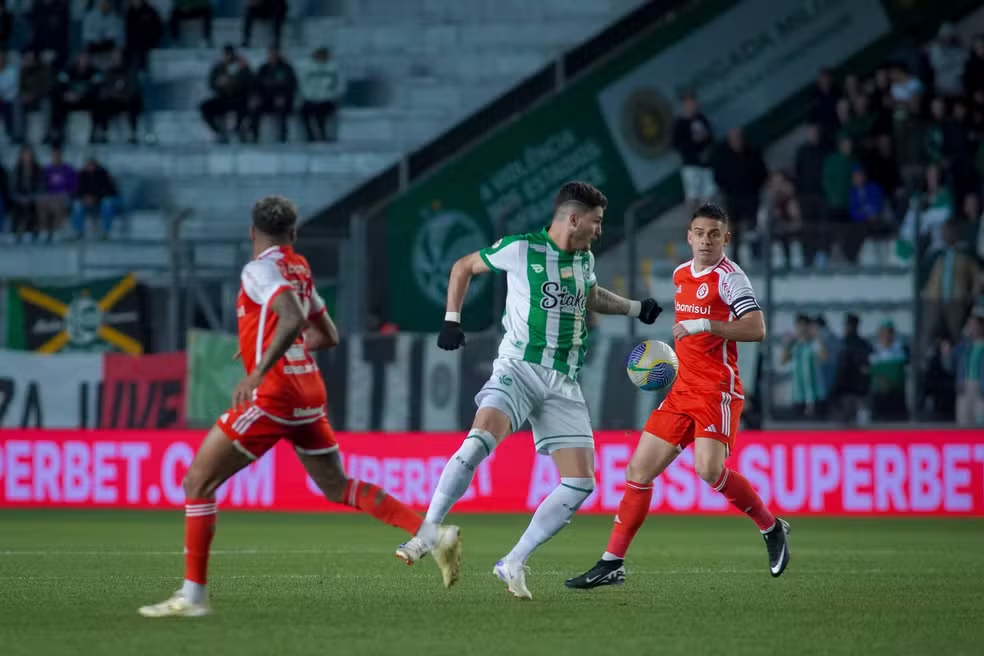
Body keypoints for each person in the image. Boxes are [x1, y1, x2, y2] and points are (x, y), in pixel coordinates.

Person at [138, 196, 460, 617]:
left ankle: (194, 597)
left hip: (274, 394)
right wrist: (264, 349)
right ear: (294, 233)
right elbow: (327, 334)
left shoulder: (258, 269)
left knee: (197, 482)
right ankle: (432, 534)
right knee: (336, 486)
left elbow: (289, 318)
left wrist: (258, 370)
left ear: (252, 233)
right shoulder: (300, 267)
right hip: (308, 391)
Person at [393, 182, 662, 599]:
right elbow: (463, 266)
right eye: (596, 221)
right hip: (518, 368)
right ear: (574, 219)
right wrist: (451, 319)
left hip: (564, 383)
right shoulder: (521, 249)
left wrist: (635, 308)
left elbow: (590, 295)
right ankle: (428, 532)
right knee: (477, 443)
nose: (599, 230)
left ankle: (513, 561)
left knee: (580, 483)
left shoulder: (584, 258)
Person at [565, 202, 790, 590]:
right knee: (638, 472)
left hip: (717, 390)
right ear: (689, 236)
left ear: (726, 238)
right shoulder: (681, 274)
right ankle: (612, 562)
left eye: (714, 234)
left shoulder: (730, 279)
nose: (705, 241)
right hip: (682, 387)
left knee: (708, 470)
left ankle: (771, 528)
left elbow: (756, 328)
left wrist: (706, 323)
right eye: (699, 233)